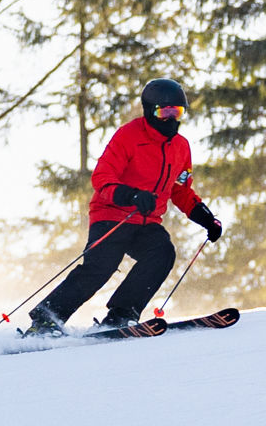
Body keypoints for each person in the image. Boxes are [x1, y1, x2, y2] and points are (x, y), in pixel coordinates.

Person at [24, 78, 226, 336]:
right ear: (149, 111)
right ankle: (45, 318)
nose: (171, 119)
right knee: (100, 267)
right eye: (165, 112)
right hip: (112, 215)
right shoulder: (129, 136)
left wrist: (206, 219)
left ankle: (121, 315)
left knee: (162, 253)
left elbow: (180, 190)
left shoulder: (181, 147)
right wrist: (130, 195)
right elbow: (102, 178)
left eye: (178, 112)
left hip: (147, 222)